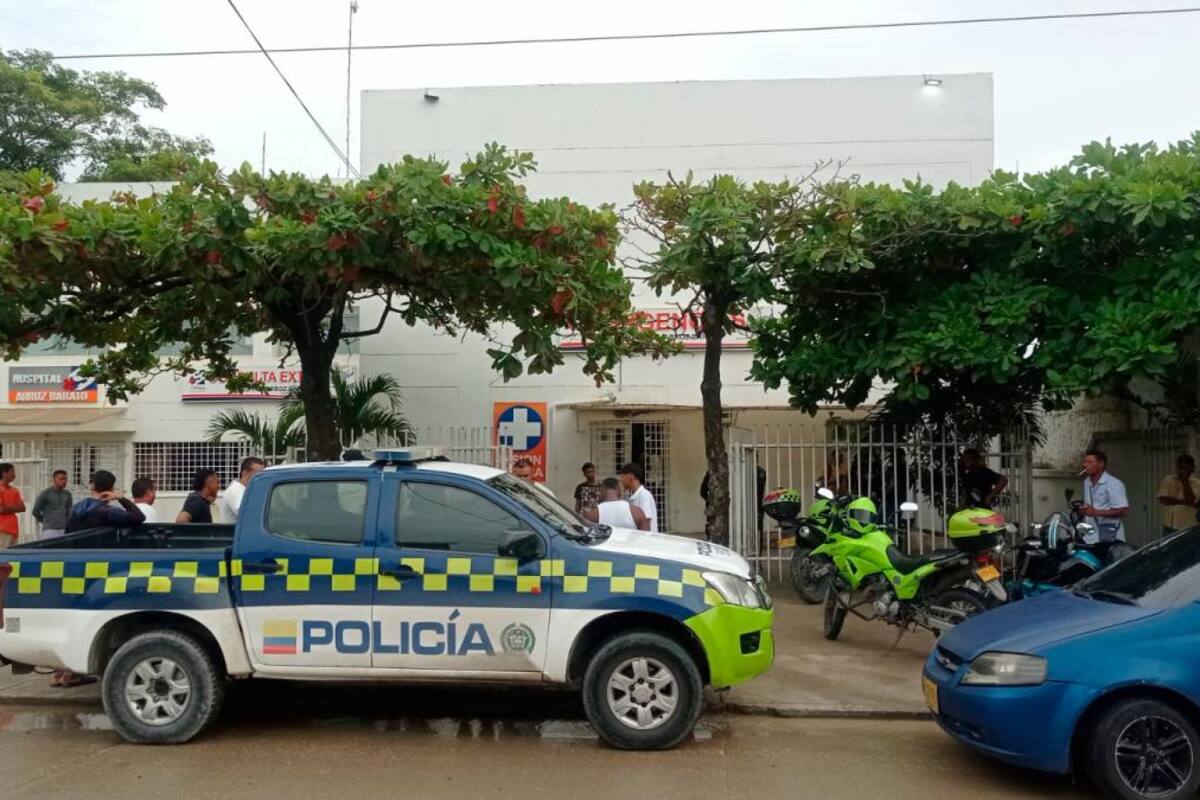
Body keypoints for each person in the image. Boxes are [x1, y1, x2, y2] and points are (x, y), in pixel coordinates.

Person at [66, 470, 146, 532]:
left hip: (75, 552)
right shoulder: (109, 512)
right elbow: (139, 517)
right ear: (112, 490)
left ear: (92, 486)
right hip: (101, 552)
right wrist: (120, 498)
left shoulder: (75, 508)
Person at [1081, 449, 1129, 544]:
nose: (1086, 465)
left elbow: (1124, 511)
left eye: (1090, 462)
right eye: (1085, 462)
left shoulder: (1113, 483)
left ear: (1101, 464)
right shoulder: (1087, 482)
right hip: (1091, 537)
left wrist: (1096, 512)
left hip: (1110, 536)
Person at [583, 477, 649, 531]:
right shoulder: (636, 512)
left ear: (601, 491)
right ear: (619, 490)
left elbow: (586, 542)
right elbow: (646, 538)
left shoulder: (592, 514)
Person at [1157, 454, 1200, 534]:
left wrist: (1185, 481)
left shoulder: (1197, 483)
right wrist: (1183, 502)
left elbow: (1191, 500)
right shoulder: (1169, 480)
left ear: (1192, 468)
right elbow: (1163, 499)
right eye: (1181, 467)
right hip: (1170, 525)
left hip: (1188, 525)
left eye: (1186, 468)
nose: (1183, 471)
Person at [220, 457, 266, 522]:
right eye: (258, 474)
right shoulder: (236, 490)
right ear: (245, 473)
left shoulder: (245, 491)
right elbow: (247, 514)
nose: (261, 478)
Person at [619, 462, 658, 534]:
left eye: (622, 477)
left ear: (630, 476)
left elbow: (646, 522)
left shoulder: (644, 495)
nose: (620, 480)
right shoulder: (634, 496)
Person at [32, 469, 72, 539]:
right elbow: (35, 511)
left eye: (65, 478)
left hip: (64, 529)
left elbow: (69, 512)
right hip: (50, 530)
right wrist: (46, 521)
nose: (64, 481)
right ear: (54, 480)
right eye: (61, 479)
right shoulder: (46, 493)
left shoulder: (67, 494)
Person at [0, 462, 26, 548]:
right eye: (12, 471)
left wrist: (8, 508)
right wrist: (15, 508)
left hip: (14, 529)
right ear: (4, 472)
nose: (14, 475)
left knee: (12, 558)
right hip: (2, 529)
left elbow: (23, 507)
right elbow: (1, 509)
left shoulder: (15, 490)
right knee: (3, 557)